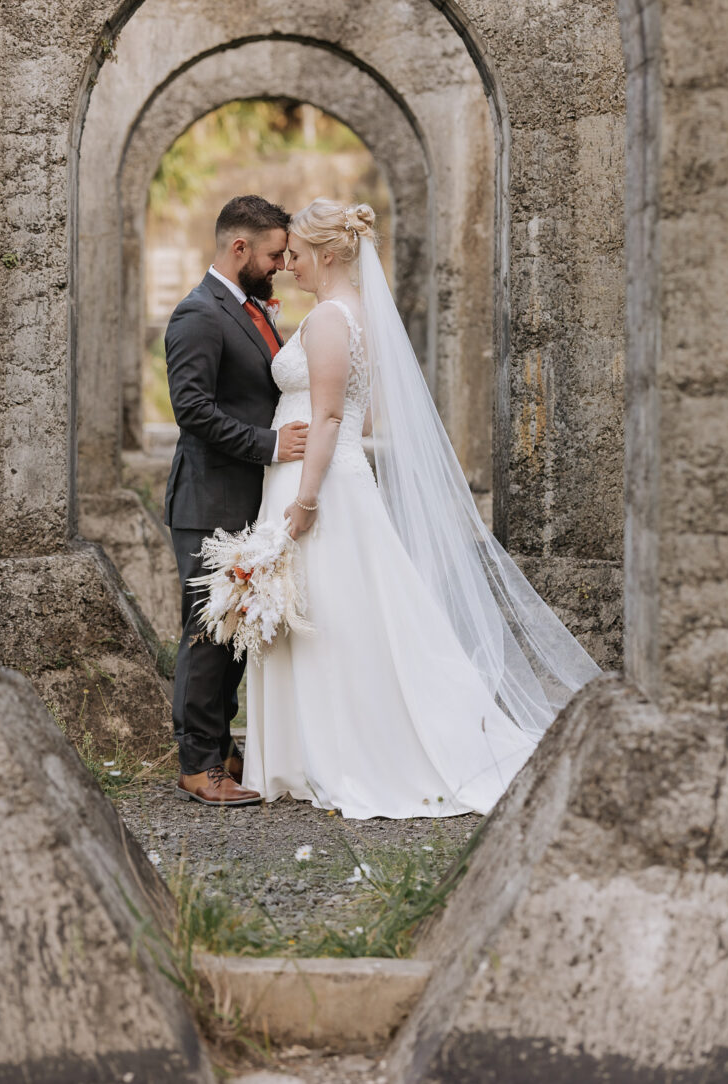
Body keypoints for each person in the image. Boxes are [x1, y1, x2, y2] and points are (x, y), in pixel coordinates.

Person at [242, 199, 601, 819]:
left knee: (330, 615)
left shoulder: (330, 319)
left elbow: (329, 416)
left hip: (317, 484)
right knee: (336, 611)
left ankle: (338, 752)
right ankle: (310, 751)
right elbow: (364, 411)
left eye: (296, 254)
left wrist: (303, 501)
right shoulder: (355, 314)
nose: (289, 266)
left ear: (327, 254)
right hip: (326, 474)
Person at [163, 195, 308, 807]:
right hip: (209, 500)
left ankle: (222, 748)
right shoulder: (199, 313)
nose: (280, 264)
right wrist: (272, 445)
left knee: (237, 629)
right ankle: (198, 765)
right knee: (207, 632)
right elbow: (192, 410)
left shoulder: (248, 310)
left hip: (247, 501)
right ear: (239, 247)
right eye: (274, 253)